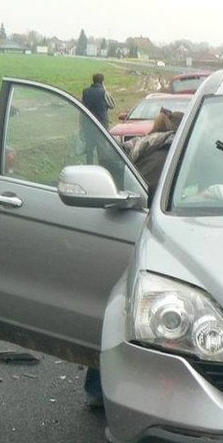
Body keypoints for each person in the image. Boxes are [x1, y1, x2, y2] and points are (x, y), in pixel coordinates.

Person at [83, 107, 184, 410]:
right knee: (138, 320)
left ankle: (99, 389)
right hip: (151, 244)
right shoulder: (167, 155)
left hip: (131, 238)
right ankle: (112, 393)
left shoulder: (149, 147)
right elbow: (151, 199)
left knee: (120, 314)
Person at [80, 73, 116, 163]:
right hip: (101, 125)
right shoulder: (104, 92)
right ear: (102, 81)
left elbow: (82, 108)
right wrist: (105, 89)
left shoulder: (85, 91)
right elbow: (112, 105)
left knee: (89, 149)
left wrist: (81, 125)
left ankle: (89, 167)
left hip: (88, 124)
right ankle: (102, 168)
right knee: (101, 149)